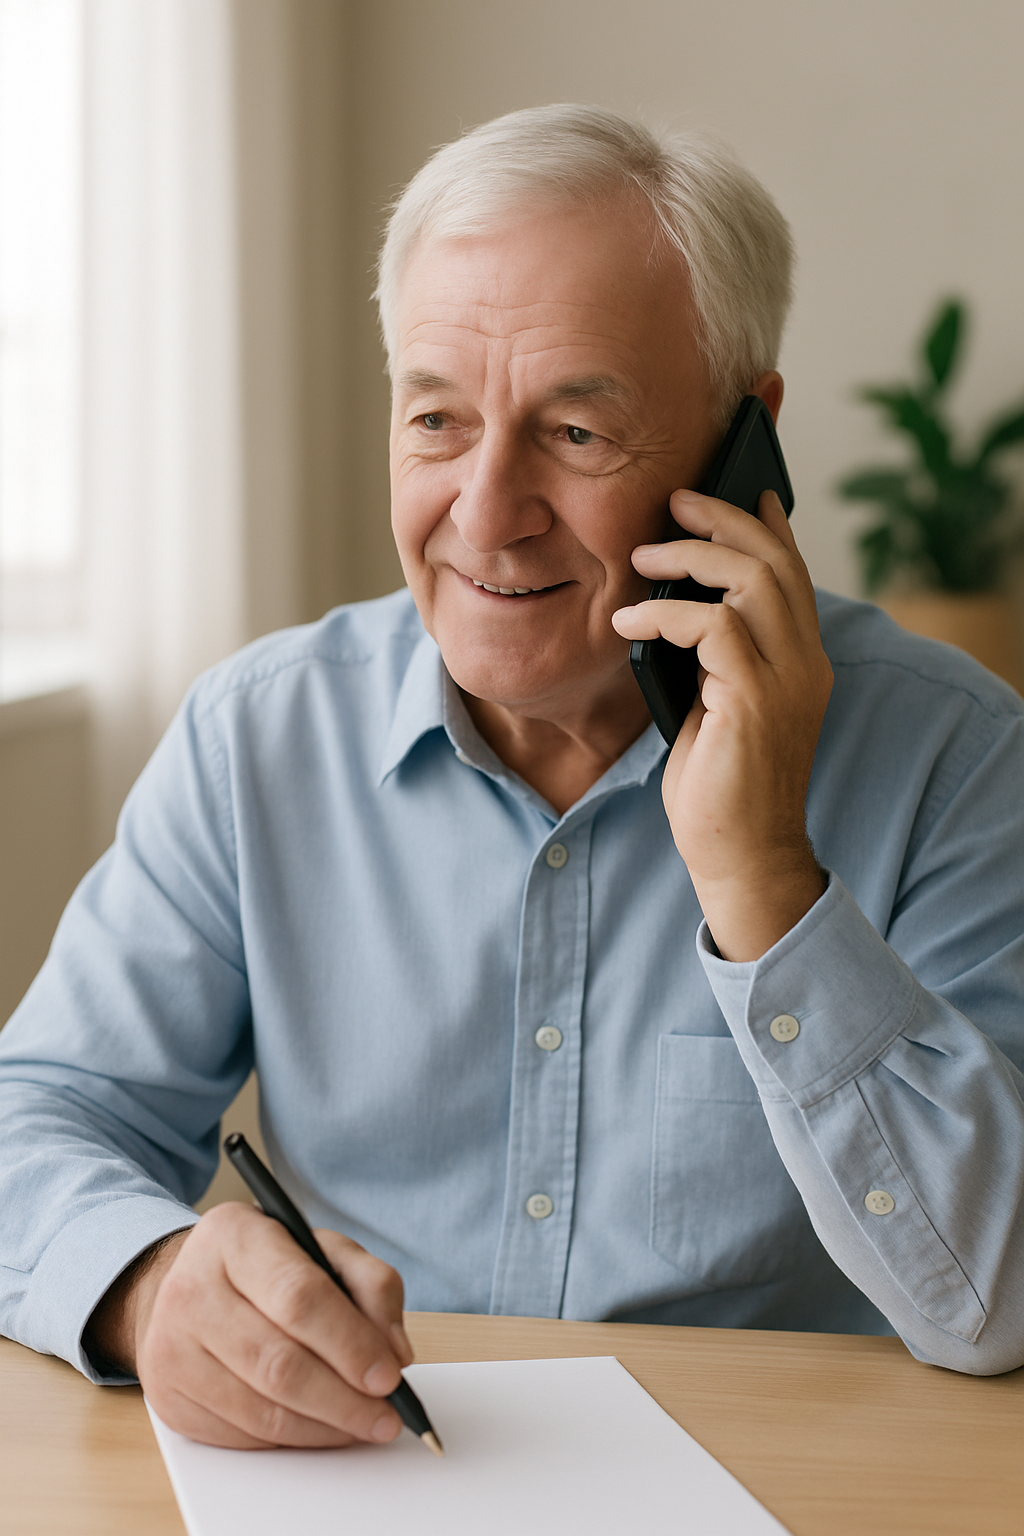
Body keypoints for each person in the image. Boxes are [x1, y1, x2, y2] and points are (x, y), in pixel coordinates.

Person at [2, 104, 1023, 1451]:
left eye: (576, 434)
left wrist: (766, 877)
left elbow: (997, 1301)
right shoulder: (259, 737)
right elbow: (40, 1117)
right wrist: (147, 1287)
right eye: (436, 418)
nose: (483, 512)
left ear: (743, 443)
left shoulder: (952, 752)